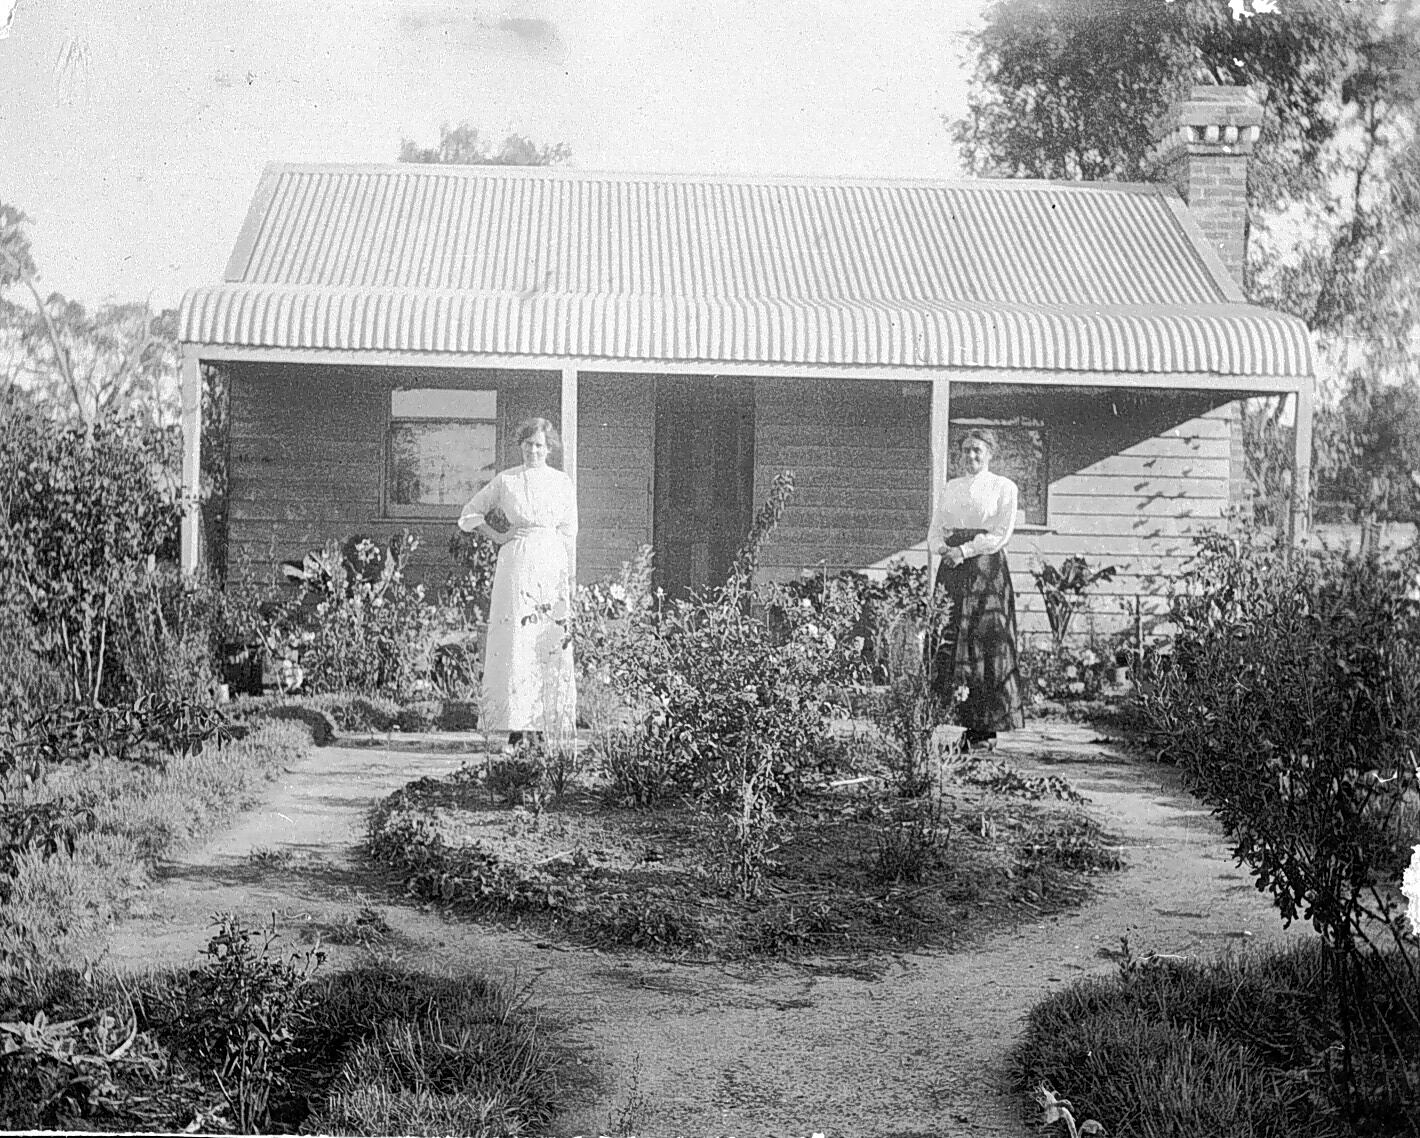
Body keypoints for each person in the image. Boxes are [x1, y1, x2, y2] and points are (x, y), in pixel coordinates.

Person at [458, 417, 578, 750]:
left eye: (539, 445)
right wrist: (499, 536)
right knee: (517, 641)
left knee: (547, 638)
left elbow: (569, 531)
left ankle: (545, 728)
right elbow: (470, 513)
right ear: (520, 445)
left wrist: (567, 575)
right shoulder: (506, 480)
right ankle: (516, 728)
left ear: (549, 448)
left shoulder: (562, 482)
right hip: (517, 561)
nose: (533, 451)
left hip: (550, 563)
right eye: (527, 444)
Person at [927, 428, 1026, 748]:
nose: (971, 456)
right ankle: (945, 717)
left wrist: (964, 551)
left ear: (990, 454)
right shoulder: (951, 488)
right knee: (949, 636)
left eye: (977, 450)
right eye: (966, 450)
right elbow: (935, 530)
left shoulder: (1003, 487)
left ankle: (984, 729)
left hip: (985, 570)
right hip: (953, 571)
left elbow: (1000, 533)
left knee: (984, 641)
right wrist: (943, 549)